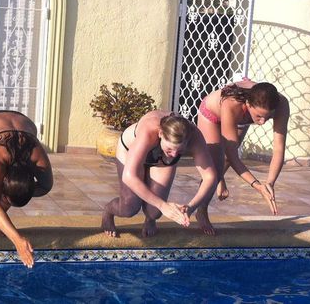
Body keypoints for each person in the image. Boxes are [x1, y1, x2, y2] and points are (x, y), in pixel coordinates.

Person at [102, 110, 217, 238]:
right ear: (161, 134)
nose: (174, 154)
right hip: (129, 150)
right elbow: (129, 177)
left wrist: (190, 207)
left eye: (180, 150)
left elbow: (210, 177)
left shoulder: (194, 136)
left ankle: (150, 220)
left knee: (154, 212)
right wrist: (163, 205)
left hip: (162, 160)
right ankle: (108, 211)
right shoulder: (148, 131)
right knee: (129, 207)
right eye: (170, 149)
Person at [196, 79, 290, 235]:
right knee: (214, 166)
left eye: (267, 117)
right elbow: (233, 156)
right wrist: (257, 186)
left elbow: (279, 149)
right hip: (212, 114)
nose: (262, 122)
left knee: (225, 158)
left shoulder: (282, 105)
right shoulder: (232, 103)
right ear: (248, 104)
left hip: (241, 116)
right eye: (259, 116)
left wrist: (270, 183)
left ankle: (219, 178)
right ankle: (201, 210)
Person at [0, 110, 53, 268]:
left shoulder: (38, 159)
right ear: (3, 180)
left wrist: (11, 197)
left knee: (5, 195)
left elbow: (46, 187)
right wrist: (17, 240)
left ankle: (2, 218)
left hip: (23, 123)